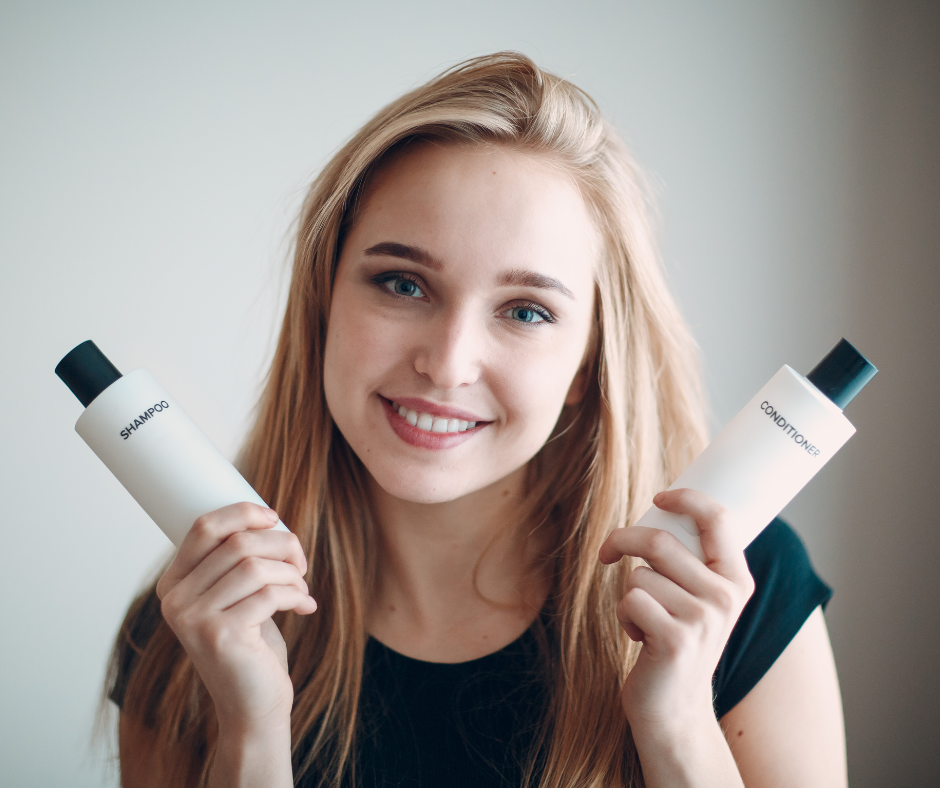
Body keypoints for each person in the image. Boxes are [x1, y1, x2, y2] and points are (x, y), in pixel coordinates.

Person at [109, 52, 846, 788]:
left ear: (589, 365)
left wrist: (679, 725)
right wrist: (250, 734)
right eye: (403, 283)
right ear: (323, 304)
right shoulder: (194, 628)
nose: (449, 362)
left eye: (525, 311)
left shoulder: (733, 593)